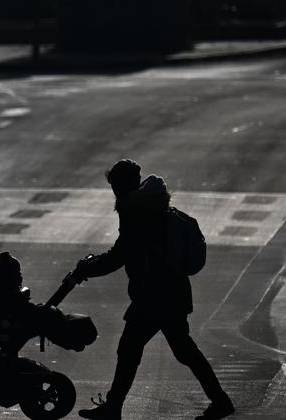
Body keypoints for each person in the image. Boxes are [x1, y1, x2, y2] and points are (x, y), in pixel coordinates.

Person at [70, 159, 234, 420]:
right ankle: (220, 400)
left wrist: (86, 269)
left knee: (131, 350)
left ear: (120, 185)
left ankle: (113, 408)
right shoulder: (154, 206)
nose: (113, 191)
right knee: (180, 350)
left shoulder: (134, 211)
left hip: (154, 296)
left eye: (114, 185)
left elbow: (120, 255)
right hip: (172, 292)